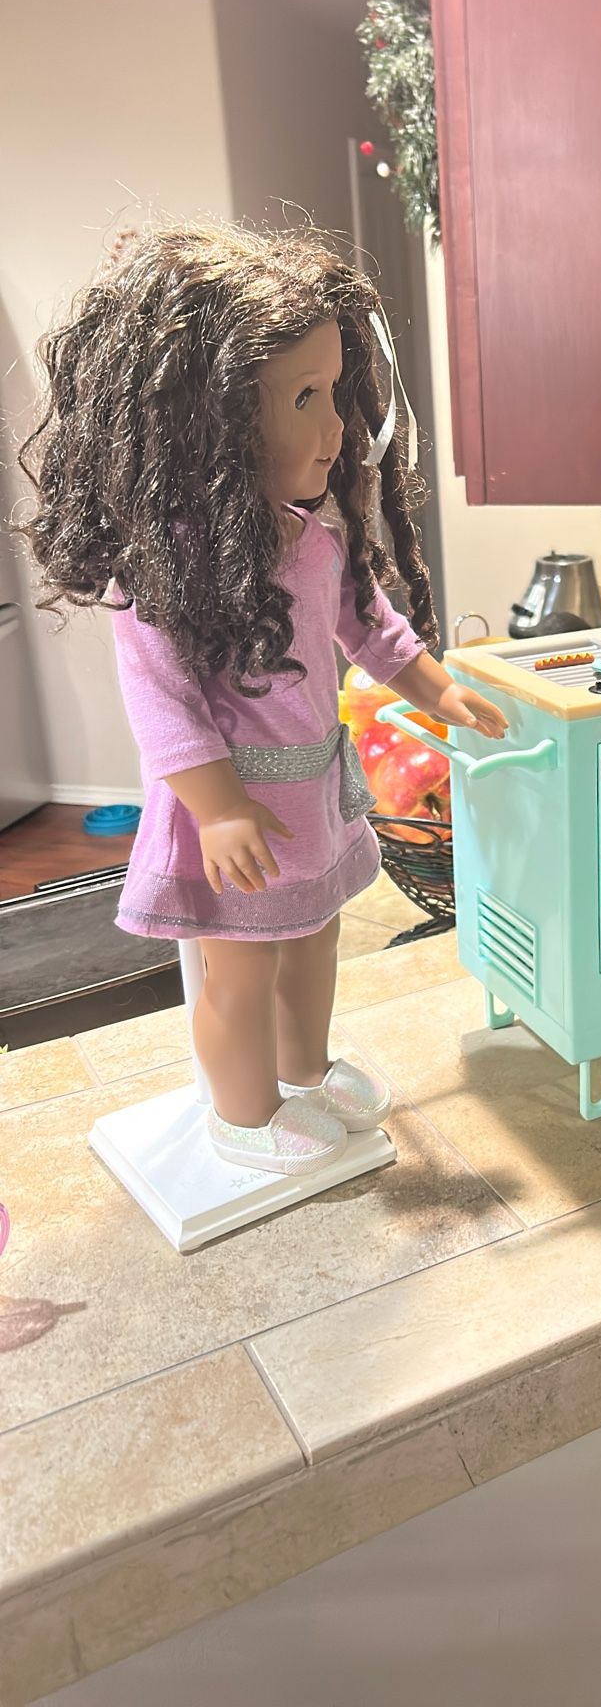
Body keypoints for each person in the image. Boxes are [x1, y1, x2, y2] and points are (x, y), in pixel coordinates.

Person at [18, 220, 506, 1175]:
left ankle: (303, 1073)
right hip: (233, 814)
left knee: (315, 939)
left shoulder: (312, 531)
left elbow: (368, 622)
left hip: (310, 793)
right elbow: (162, 702)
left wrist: (438, 686)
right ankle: (241, 1119)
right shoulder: (164, 565)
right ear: (212, 416)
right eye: (305, 398)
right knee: (240, 970)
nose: (337, 428)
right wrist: (218, 807)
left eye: (337, 394)